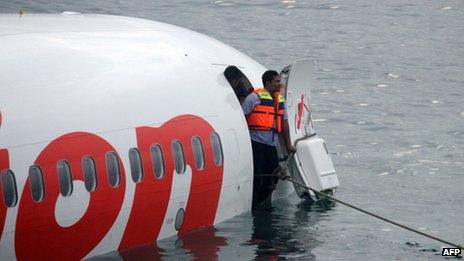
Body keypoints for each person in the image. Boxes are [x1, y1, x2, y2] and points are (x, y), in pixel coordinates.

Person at [242, 70, 296, 210]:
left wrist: (289, 144)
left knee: (273, 174)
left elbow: (284, 124)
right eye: (277, 81)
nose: (280, 84)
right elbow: (241, 117)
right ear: (268, 83)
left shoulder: (280, 100)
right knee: (259, 174)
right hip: (257, 142)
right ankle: (254, 204)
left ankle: (263, 200)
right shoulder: (254, 98)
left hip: (271, 143)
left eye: (280, 81)